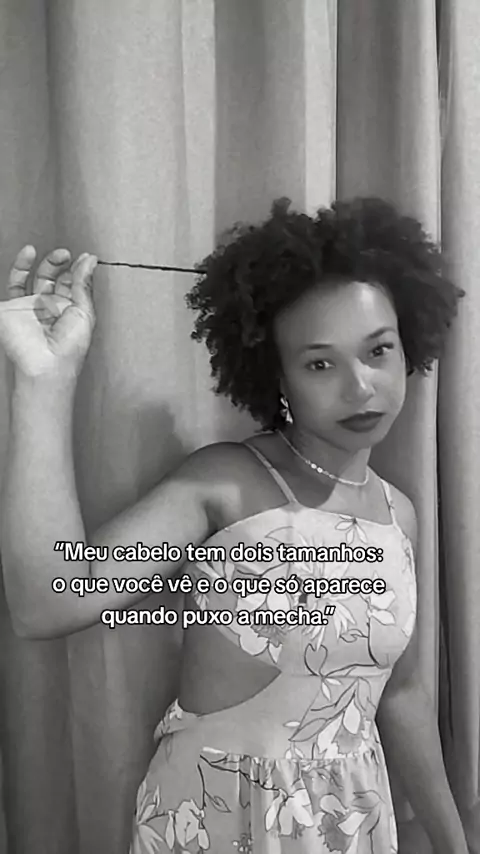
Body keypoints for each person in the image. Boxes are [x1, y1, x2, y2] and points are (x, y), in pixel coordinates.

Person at [0, 197, 470, 853]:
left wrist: (454, 842)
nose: (361, 386)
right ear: (277, 378)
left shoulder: (400, 514)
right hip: (222, 818)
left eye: (378, 351)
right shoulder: (228, 484)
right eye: (320, 363)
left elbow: (403, 695)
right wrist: (42, 382)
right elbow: (47, 602)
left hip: (349, 822)